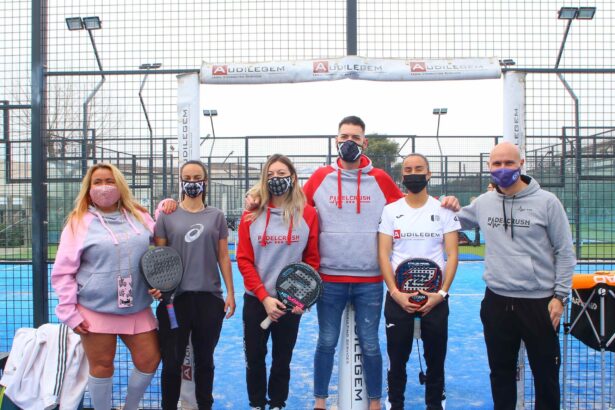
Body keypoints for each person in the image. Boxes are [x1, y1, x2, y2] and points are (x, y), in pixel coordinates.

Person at [453, 142, 576, 410]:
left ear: (521, 164)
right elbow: (450, 220)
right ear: (489, 167)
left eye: (509, 163)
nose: (503, 168)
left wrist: (560, 296)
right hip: (496, 301)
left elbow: (565, 252)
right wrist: (445, 204)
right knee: (501, 375)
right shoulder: (484, 203)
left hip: (540, 303)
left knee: (546, 376)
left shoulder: (547, 202)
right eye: (497, 164)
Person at [305, 116, 405, 410]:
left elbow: (406, 209)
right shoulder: (320, 177)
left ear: (365, 142)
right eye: (344, 136)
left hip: (370, 279)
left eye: (355, 137)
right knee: (326, 341)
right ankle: (320, 402)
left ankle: (375, 402)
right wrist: (257, 200)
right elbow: (294, 207)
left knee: (371, 343)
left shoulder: (381, 179)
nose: (349, 142)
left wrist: (444, 205)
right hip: (329, 279)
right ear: (336, 140)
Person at [51, 163, 160, 410]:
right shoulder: (78, 223)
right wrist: (68, 311)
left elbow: (162, 239)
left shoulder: (139, 216)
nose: (104, 187)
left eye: (109, 181)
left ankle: (130, 407)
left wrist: (165, 208)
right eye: (97, 182)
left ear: (120, 185)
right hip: (95, 309)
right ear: (88, 188)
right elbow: (63, 272)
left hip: (137, 307)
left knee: (150, 359)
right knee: (102, 366)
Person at [236, 154, 320, 410]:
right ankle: (257, 404)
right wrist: (264, 297)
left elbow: (312, 261)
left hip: (289, 304)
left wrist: (301, 299)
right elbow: (244, 260)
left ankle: (277, 404)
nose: (276, 179)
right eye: (270, 174)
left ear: (292, 177)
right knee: (254, 358)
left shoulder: (308, 214)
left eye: (282, 174)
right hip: (256, 301)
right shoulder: (250, 215)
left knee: (282, 359)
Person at [378, 153, 459, 410]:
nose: (413, 173)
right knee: (396, 360)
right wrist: (395, 293)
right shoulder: (391, 211)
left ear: (429, 174)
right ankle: (395, 403)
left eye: (419, 169)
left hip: (435, 299)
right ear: (402, 176)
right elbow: (383, 254)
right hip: (398, 299)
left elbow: (452, 254)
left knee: (436, 359)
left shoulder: (444, 210)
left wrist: (441, 294)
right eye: (408, 169)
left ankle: (435, 404)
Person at [152, 160, 236, 410]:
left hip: (209, 300)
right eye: (187, 178)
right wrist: (157, 286)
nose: (192, 182)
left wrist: (231, 293)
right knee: (171, 363)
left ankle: (204, 405)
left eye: (197, 177)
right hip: (174, 301)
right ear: (180, 181)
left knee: (205, 362)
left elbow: (223, 256)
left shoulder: (216, 216)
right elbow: (159, 257)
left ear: (205, 181)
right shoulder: (167, 216)